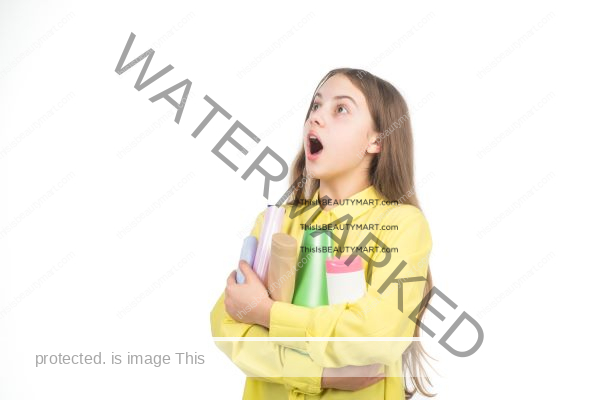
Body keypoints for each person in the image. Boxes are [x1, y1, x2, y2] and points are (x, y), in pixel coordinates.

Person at [210, 68, 435, 399]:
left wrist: (267, 314)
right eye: (315, 106)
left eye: (340, 109)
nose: (315, 119)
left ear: (377, 140)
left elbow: (377, 336)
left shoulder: (403, 225)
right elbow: (227, 327)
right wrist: (320, 372)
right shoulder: (275, 222)